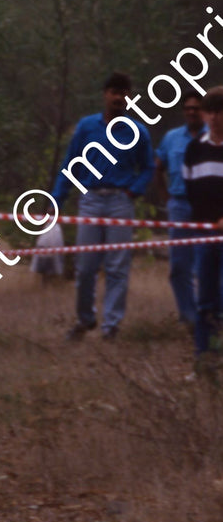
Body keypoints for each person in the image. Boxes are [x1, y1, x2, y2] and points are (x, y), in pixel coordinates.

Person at [49, 72, 154, 341]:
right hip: (91, 200)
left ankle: (111, 326)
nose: (119, 97)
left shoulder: (138, 131)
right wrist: (56, 199)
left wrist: (134, 191)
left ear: (129, 97)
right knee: (85, 266)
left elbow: (148, 167)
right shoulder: (86, 127)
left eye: (124, 93)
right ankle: (85, 319)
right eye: (114, 92)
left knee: (117, 266)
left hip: (121, 201)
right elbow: (69, 166)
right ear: (105, 94)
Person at [154, 93, 204, 327]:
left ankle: (210, 314)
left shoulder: (213, 137)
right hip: (179, 205)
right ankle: (189, 317)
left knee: (208, 262)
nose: (192, 112)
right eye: (188, 108)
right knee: (179, 267)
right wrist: (166, 197)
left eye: (196, 108)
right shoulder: (171, 138)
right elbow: (157, 166)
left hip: (208, 206)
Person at [185, 87, 223, 363]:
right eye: (211, 112)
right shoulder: (194, 149)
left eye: (220, 112)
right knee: (204, 297)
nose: (215, 118)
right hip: (203, 231)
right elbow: (191, 189)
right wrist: (206, 222)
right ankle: (203, 356)